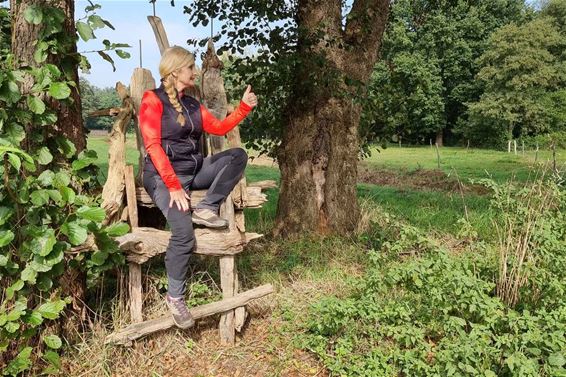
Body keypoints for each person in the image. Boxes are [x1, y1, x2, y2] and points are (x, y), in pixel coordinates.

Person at [139, 46, 257, 329]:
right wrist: (174, 187)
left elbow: (217, 127)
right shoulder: (151, 100)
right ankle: (175, 297)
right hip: (161, 177)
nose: (196, 72)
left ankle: (206, 207)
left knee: (237, 156)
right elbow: (153, 145)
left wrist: (243, 108)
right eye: (191, 67)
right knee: (183, 233)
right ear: (177, 70)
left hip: (192, 173)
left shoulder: (191, 104)